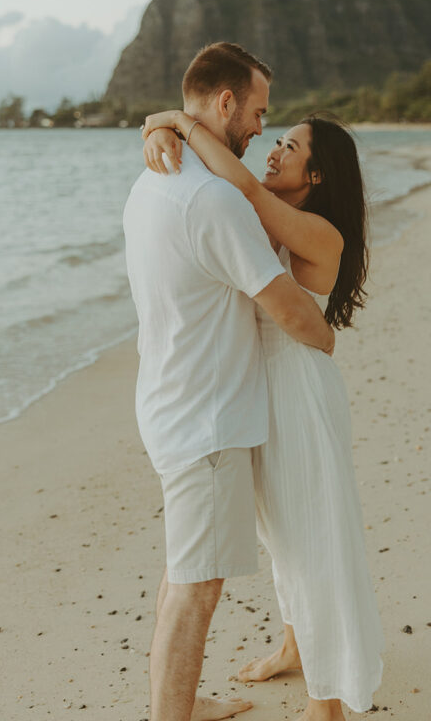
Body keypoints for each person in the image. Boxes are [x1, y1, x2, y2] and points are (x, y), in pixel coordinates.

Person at [142, 103, 384, 721]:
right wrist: (159, 131)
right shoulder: (258, 218)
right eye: (274, 137)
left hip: (298, 392)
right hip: (259, 391)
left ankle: (325, 704)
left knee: (313, 539)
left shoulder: (316, 231)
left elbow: (240, 183)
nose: (273, 150)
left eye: (291, 147)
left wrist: (177, 119)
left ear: (319, 175)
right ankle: (295, 647)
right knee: (283, 536)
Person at [123, 43, 335, 721]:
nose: (257, 130)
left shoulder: (153, 178)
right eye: (256, 112)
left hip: (167, 400)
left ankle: (180, 699)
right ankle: (171, 715)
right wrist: (326, 339)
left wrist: (163, 124)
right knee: (196, 586)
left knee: (182, 571)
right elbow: (288, 309)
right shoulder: (213, 199)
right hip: (205, 421)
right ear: (223, 104)